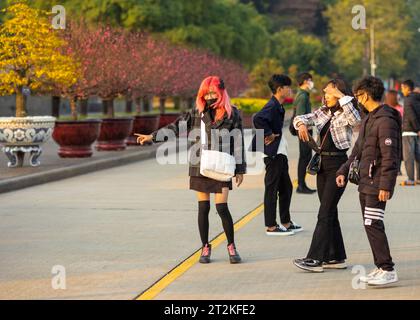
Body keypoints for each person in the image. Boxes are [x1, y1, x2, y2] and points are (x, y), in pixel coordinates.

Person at [136, 76, 246, 264]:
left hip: (221, 165)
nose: (210, 96)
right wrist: (152, 137)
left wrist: (240, 169)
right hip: (200, 164)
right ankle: (205, 246)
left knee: (222, 208)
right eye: (206, 93)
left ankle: (231, 246)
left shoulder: (232, 113)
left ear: (221, 92)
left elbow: (238, 141)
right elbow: (175, 128)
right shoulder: (196, 112)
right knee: (203, 208)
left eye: (213, 92)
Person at [337, 76, 401, 286]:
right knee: (369, 223)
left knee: (373, 223)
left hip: (376, 183)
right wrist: (343, 170)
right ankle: (380, 266)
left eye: (357, 95)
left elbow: (391, 155)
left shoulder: (385, 120)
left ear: (365, 94)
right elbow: (358, 150)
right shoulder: (369, 118)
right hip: (365, 181)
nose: (356, 99)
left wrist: (386, 185)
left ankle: (388, 269)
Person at [292, 79, 361, 272]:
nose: (325, 96)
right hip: (322, 165)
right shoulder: (323, 111)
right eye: (325, 93)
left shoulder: (347, 111)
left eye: (329, 93)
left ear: (339, 93)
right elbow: (301, 118)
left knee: (324, 213)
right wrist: (301, 126)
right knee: (330, 211)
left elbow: (356, 120)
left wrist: (341, 96)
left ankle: (315, 259)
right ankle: (336, 257)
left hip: (339, 166)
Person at [250, 74, 303, 236]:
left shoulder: (278, 106)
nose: (290, 90)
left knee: (286, 187)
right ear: (280, 89)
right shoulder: (272, 105)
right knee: (272, 188)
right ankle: (271, 226)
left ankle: (286, 222)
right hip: (273, 154)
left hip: (280, 153)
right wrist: (269, 134)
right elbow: (257, 118)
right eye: (287, 87)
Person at [295, 72, 317, 194]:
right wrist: (304, 129)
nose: (311, 82)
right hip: (304, 131)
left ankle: (302, 184)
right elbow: (300, 116)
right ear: (304, 81)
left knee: (305, 157)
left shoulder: (303, 95)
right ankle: (301, 185)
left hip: (305, 130)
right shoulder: (302, 96)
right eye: (310, 80)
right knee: (304, 157)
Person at [400, 79, 420, 186]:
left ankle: (411, 179)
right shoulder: (417, 99)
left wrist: (417, 129)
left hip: (409, 131)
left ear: (407, 88)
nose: (402, 90)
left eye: (402, 88)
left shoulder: (407, 100)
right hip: (417, 132)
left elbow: (411, 116)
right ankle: (419, 179)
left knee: (408, 157)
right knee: (418, 155)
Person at [385, 90, 404, 175]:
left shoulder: (385, 107)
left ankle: (389, 169)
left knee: (388, 151)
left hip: (387, 132)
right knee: (398, 150)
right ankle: (398, 169)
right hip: (398, 132)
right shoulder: (400, 108)